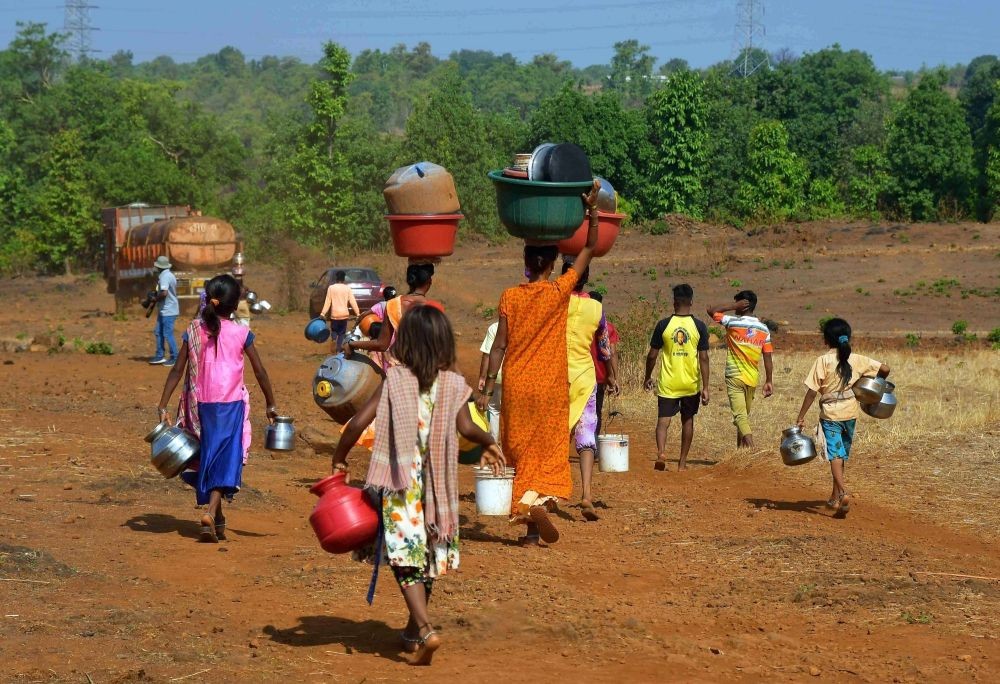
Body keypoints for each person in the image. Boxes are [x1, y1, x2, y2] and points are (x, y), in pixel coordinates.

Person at [332, 306, 504, 666]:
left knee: (404, 558)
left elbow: (358, 422)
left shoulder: (396, 380)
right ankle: (412, 632)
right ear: (444, 342)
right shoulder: (455, 384)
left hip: (400, 485)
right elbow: (467, 428)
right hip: (439, 487)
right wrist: (490, 442)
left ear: (405, 341)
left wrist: (340, 458)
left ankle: (425, 629)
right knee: (427, 558)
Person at [477, 180, 602, 546]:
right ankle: (536, 502)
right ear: (551, 263)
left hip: (516, 386)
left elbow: (498, 346)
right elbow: (591, 246)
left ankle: (531, 525)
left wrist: (486, 389)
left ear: (526, 263)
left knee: (520, 451)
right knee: (546, 452)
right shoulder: (560, 291)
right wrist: (591, 210)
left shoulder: (510, 298)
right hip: (550, 388)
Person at [156, 274, 279, 543]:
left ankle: (218, 518)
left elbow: (178, 369)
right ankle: (211, 513)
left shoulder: (194, 330)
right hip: (230, 404)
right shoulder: (241, 332)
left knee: (208, 455)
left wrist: (163, 403)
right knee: (226, 457)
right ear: (235, 306)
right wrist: (271, 403)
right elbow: (260, 370)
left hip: (198, 404)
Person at [794, 318, 889, 517]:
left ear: (826, 340)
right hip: (851, 413)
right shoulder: (857, 359)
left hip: (831, 415)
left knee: (835, 456)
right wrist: (874, 386)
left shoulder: (823, 360)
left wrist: (801, 416)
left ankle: (843, 492)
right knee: (841, 456)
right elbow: (885, 368)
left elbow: (812, 392)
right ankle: (835, 498)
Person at [563, 261, 617, 521]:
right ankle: (586, 494)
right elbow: (605, 349)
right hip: (585, 377)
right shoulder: (597, 308)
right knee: (586, 432)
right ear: (587, 278)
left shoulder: (555, 301)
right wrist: (612, 376)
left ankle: (551, 493)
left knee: (556, 432)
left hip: (556, 375)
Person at [644, 284, 710, 471]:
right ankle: (682, 464)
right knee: (687, 421)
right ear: (691, 302)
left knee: (663, 421)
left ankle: (661, 452)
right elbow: (704, 358)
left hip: (668, 382)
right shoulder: (699, 326)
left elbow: (652, 355)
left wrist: (647, 376)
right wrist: (705, 387)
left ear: (674, 302)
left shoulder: (664, 325)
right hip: (690, 384)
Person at [707, 290, 773, 448]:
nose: (735, 307)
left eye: (737, 303)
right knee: (742, 417)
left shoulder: (732, 322)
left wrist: (731, 306)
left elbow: (710, 310)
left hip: (735, 376)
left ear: (743, 305)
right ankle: (740, 453)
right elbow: (768, 357)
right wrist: (769, 380)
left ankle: (751, 450)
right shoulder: (764, 329)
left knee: (740, 417)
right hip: (752, 379)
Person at [349, 264, 437, 372]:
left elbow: (382, 345)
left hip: (398, 370)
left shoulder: (392, 305)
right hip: (425, 371)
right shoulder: (433, 307)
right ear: (429, 282)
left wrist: (352, 344)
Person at [587, 291, 620, 437]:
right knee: (596, 411)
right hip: (600, 377)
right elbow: (611, 353)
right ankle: (591, 446)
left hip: (580, 374)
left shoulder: (580, 325)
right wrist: (613, 378)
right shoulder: (608, 327)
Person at [320, 270, 360, 354]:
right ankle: (338, 349)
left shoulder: (331, 288)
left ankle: (334, 339)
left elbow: (328, 302)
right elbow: (353, 301)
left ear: (336, 278)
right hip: (344, 315)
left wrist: (323, 313)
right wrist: (357, 313)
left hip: (335, 315)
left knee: (334, 330)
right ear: (344, 279)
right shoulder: (347, 288)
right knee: (342, 333)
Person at [149, 255, 179, 367]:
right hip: (166, 309)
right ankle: (160, 355)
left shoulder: (164, 276)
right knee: (158, 332)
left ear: (159, 267)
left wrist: (155, 299)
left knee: (167, 333)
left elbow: (164, 293)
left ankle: (175, 357)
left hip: (168, 310)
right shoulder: (169, 274)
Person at [477, 321, 503, 441]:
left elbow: (487, 355)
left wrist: (482, 377)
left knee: (494, 410)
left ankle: (494, 446)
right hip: (517, 377)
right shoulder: (522, 325)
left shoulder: (495, 327)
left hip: (496, 378)